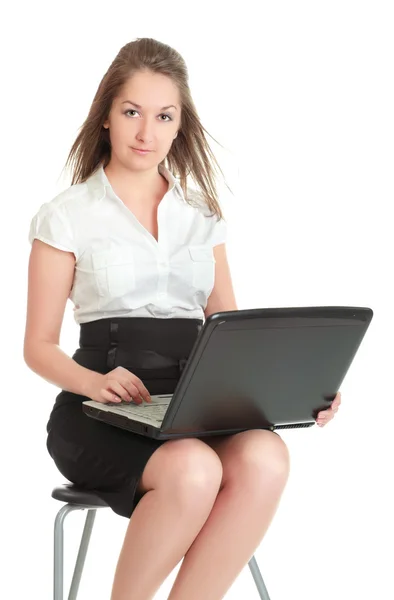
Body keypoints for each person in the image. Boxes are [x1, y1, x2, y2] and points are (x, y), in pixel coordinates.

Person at [24, 37, 340, 600]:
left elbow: (229, 326)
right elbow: (38, 346)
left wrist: (301, 388)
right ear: (106, 119)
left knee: (267, 455)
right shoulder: (67, 216)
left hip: (194, 407)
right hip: (101, 409)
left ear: (178, 125)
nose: (147, 133)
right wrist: (96, 383)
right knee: (193, 468)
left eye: (163, 116)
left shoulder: (201, 217)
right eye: (132, 113)